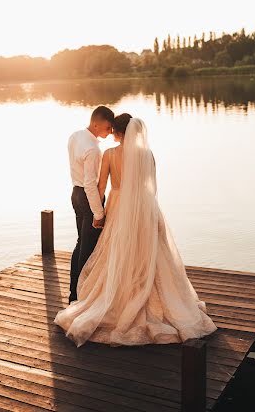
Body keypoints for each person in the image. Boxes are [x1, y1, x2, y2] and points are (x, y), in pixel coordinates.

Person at [54, 114, 218, 347]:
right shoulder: (148, 155)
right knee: (150, 252)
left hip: (120, 207)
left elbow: (101, 187)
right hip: (145, 207)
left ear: (118, 133)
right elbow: (151, 185)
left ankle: (119, 296)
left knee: (119, 251)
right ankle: (151, 294)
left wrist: (97, 215)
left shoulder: (110, 154)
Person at [67, 105, 114, 304]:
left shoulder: (75, 136)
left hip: (75, 194)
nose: (110, 132)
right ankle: (80, 296)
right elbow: (90, 184)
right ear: (97, 123)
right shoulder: (93, 149)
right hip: (88, 199)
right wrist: (99, 213)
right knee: (88, 249)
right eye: (107, 127)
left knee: (80, 244)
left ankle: (74, 294)